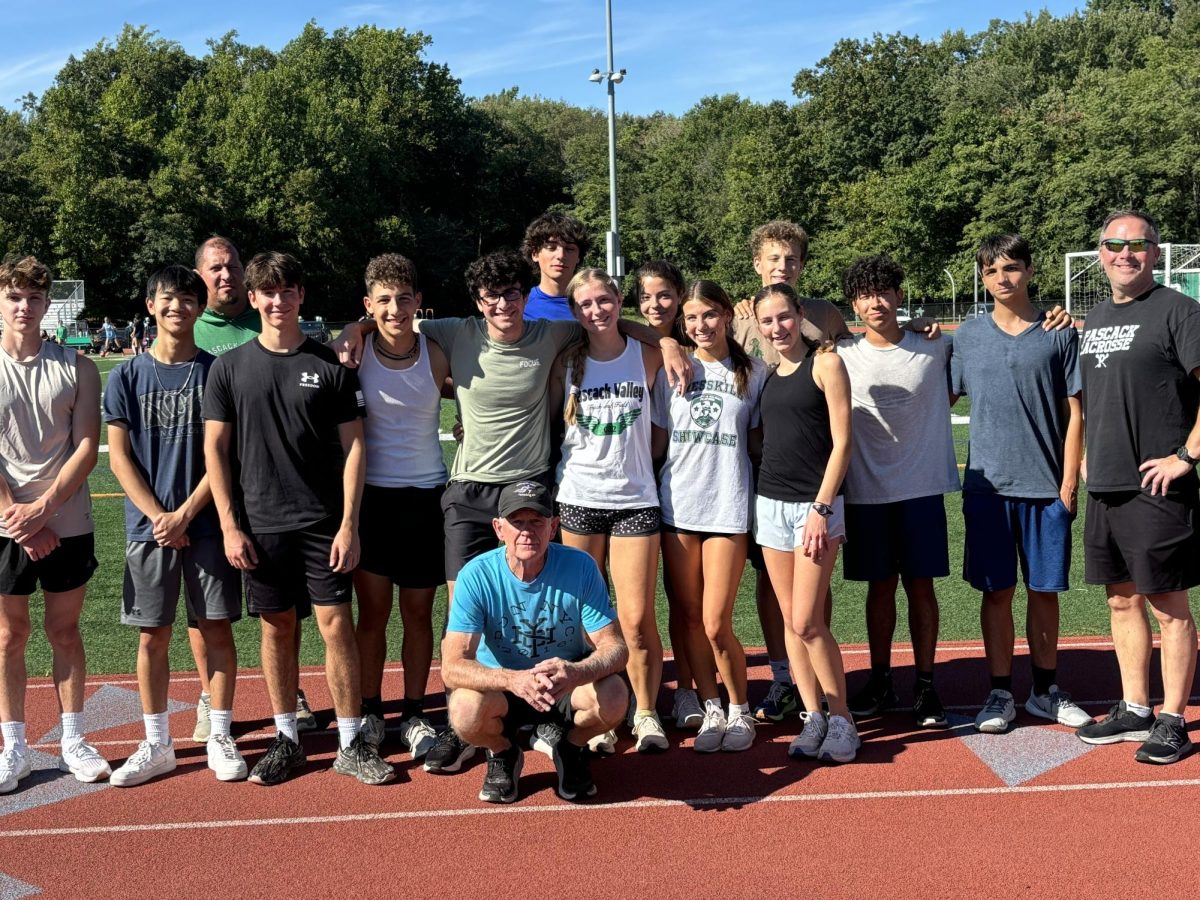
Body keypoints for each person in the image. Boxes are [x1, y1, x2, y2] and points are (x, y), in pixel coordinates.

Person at [336, 249, 688, 773]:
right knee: (465, 610)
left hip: (527, 489)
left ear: (525, 297)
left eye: (511, 294)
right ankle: (475, 727)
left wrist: (665, 339)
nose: (502, 303)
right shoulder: (455, 332)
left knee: (553, 605)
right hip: (467, 492)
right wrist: (355, 327)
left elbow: (611, 321)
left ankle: (552, 710)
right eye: (491, 296)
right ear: (477, 302)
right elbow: (395, 314)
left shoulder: (553, 334)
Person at [203, 251, 393, 786]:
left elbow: (356, 448)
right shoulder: (229, 368)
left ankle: (352, 742)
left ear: (300, 296)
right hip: (260, 524)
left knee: (336, 626)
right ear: (255, 298)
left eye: (288, 291)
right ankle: (287, 737)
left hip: (321, 522)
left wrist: (349, 524)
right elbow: (215, 451)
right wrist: (229, 525)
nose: (279, 301)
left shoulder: (329, 366)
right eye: (268, 292)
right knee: (276, 627)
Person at [104, 265, 246, 786]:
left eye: (188, 298)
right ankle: (157, 741)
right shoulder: (125, 376)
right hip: (149, 531)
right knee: (152, 637)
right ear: (150, 306)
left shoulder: (217, 372)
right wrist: (159, 517)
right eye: (168, 299)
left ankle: (220, 734)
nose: (178, 307)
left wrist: (186, 513)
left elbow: (223, 456)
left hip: (206, 524)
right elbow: (119, 459)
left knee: (216, 631)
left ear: (198, 305)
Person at [950, 235, 1092, 734]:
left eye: (1011, 267)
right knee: (996, 592)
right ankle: (1000, 692)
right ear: (982, 278)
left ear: (1030, 270)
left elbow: (1076, 412)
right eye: (991, 271)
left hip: (1046, 487)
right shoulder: (965, 337)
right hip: (987, 489)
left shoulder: (1058, 333)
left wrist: (1068, 481)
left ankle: (1046, 690)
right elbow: (936, 399)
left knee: (1044, 591)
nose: (1001, 278)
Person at [1073, 210, 1200, 764]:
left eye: (1137, 245)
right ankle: (1134, 707)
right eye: (1113, 245)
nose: (1125, 254)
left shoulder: (1180, 311)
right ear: (1099, 252)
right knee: (1122, 600)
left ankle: (1172, 719)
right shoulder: (1096, 315)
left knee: (1168, 606)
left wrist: (1186, 456)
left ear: (1154, 251)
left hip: (1157, 488)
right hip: (1105, 485)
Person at [190, 236, 315, 740]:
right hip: (212, 487)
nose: (226, 275)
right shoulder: (189, 326)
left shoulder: (270, 311)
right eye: (215, 268)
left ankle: (292, 690)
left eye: (233, 266)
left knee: (284, 606)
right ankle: (207, 695)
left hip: (276, 485)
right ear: (200, 275)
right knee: (208, 605)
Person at [730, 222, 850, 726]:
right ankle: (795, 690)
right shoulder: (736, 318)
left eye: (792, 260)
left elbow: (871, 341)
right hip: (762, 483)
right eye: (774, 259)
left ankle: (836, 708)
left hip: (813, 486)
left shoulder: (824, 324)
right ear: (757, 263)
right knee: (783, 606)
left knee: (809, 612)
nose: (783, 267)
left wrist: (921, 332)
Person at [442, 480, 628, 803]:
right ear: (499, 529)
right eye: (517, 522)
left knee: (614, 696)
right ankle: (503, 751)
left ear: (553, 526)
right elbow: (452, 667)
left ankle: (571, 747)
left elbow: (616, 648)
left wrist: (576, 672)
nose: (527, 532)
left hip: (564, 686)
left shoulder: (581, 567)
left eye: (537, 521)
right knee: (464, 711)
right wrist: (512, 680)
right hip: (505, 690)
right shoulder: (476, 576)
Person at [0, 255, 109, 795]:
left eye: (34, 298)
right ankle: (13, 747)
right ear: (1, 300)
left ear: (47, 304)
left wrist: (43, 510)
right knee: (7, 637)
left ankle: (72, 739)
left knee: (63, 631)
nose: (25, 307)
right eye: (15, 297)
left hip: (67, 520)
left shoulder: (77, 367)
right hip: (5, 525)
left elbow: (86, 446)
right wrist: (20, 521)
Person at [837, 255, 960, 729]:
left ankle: (926, 685)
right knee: (879, 588)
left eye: (884, 291)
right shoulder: (841, 354)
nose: (876, 301)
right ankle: (882, 677)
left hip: (922, 489)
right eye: (866, 294)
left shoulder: (938, 347)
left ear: (900, 296)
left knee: (921, 586)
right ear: (854, 303)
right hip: (866, 492)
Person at [652, 280, 768, 752]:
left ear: (726, 315)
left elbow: (762, 444)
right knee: (689, 616)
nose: (701, 326)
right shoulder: (667, 371)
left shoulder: (755, 373)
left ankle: (741, 710)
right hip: (677, 507)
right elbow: (657, 443)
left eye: (710, 315)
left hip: (728, 507)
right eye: (692, 318)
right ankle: (711, 704)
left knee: (717, 621)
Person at [553, 268, 666, 752]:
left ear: (620, 302)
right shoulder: (565, 363)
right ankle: (602, 712)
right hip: (579, 498)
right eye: (585, 304)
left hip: (636, 500)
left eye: (604, 300)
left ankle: (645, 712)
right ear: (575, 311)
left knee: (637, 619)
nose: (596, 311)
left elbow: (659, 432)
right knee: (588, 622)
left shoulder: (650, 356)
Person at [753, 283, 859, 762]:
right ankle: (812, 715)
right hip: (770, 505)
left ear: (800, 314)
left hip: (813, 508)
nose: (777, 327)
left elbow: (843, 443)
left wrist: (821, 507)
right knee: (790, 624)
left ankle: (843, 719)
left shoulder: (826, 363)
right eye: (767, 321)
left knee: (807, 620)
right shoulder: (770, 374)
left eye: (784, 317)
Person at [352, 253, 448, 761]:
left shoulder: (437, 353)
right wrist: (355, 327)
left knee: (417, 613)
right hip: (372, 500)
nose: (395, 309)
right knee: (372, 614)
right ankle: (371, 708)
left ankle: (413, 711)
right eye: (383, 301)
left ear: (418, 303)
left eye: (403, 299)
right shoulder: (354, 350)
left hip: (426, 498)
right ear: (369, 305)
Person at [635, 260, 701, 730]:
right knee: (629, 606)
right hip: (630, 487)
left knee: (684, 599)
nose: (655, 304)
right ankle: (630, 689)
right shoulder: (624, 335)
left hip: (681, 487)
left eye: (664, 294)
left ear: (678, 295)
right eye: (645, 296)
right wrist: (664, 340)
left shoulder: (701, 341)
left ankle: (687, 690)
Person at [521, 212, 589, 321]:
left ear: (579, 257)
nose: (561, 256)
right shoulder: (519, 305)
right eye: (551, 248)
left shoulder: (593, 303)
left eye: (569, 249)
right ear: (535, 254)